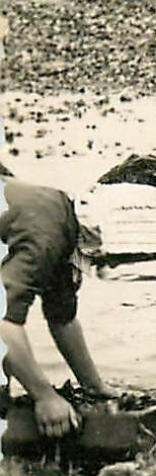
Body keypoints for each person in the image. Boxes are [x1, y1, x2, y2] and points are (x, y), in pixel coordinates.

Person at [1, 179, 113, 437]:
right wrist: (45, 397)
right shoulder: (46, 235)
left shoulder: (62, 221)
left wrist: (94, 387)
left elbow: (62, 318)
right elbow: (4, 323)